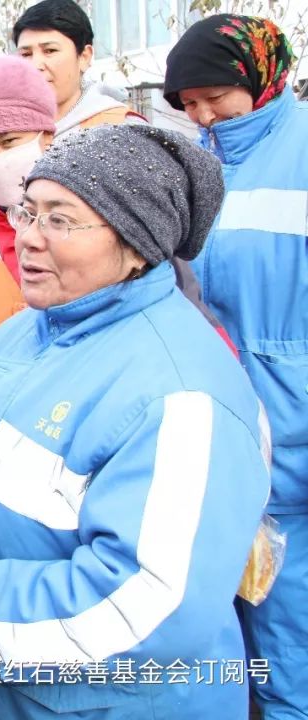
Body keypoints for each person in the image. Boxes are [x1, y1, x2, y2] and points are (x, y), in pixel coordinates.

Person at [0, 124, 270, 719]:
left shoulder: (182, 396)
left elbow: (144, 608)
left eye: (60, 220)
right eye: (27, 212)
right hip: (5, 688)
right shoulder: (22, 333)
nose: (28, 240)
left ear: (138, 245)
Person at [0, 56, 231, 483]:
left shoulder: (113, 221)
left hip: (98, 459)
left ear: (46, 134)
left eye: (8, 140)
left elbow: (194, 343)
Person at [164, 16, 308, 719]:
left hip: (294, 427)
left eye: (214, 94)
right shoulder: (199, 161)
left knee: (289, 622)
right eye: (187, 101)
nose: (201, 113)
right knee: (225, 612)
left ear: (260, 75)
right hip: (217, 422)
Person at [13, 0, 145, 137]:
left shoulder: (122, 128)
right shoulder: (9, 130)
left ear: (84, 57)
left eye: (50, 50)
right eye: (26, 54)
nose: (35, 65)